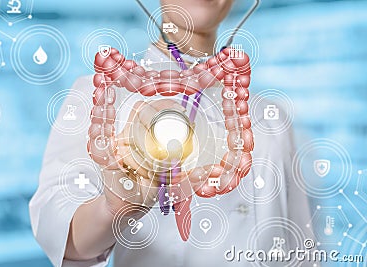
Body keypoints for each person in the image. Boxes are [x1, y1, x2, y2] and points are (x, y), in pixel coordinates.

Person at [29, 0, 314, 266]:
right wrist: (115, 210)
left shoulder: (273, 119)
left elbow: (303, 248)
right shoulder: (104, 94)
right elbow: (60, 232)